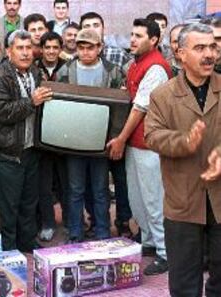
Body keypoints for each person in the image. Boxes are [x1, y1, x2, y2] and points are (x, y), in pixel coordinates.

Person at [145, 23, 221, 297]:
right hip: (182, 200)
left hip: (220, 198)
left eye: (213, 46)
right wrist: (185, 142)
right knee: (185, 283)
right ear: (180, 54)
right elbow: (152, 136)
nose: (210, 54)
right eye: (200, 48)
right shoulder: (163, 95)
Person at [107, 18, 172, 275]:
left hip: (150, 143)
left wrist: (120, 139)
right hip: (137, 142)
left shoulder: (156, 67)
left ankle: (165, 252)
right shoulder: (137, 63)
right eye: (131, 34)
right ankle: (148, 241)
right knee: (138, 198)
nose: (132, 39)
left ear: (154, 40)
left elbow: (140, 107)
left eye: (139, 35)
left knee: (154, 200)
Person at [0, 29, 52, 252]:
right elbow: (1, 111)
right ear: (8, 51)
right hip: (7, 152)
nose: (25, 53)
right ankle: (8, 248)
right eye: (20, 48)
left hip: (31, 149)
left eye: (28, 48)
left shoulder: (34, 71)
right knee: (8, 206)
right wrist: (31, 102)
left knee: (28, 203)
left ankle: (27, 243)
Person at [56, 29, 123, 243]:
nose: (85, 52)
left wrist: (113, 137)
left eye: (90, 47)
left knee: (100, 189)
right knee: (75, 189)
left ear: (100, 48)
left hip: (101, 141)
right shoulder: (65, 70)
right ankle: (76, 233)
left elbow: (119, 108)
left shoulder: (112, 71)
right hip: (74, 140)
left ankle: (103, 231)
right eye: (81, 47)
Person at [79, 11, 133, 238]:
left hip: (111, 136)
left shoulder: (116, 65)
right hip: (84, 138)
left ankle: (120, 222)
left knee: (116, 184)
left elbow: (123, 101)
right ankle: (93, 221)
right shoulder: (70, 68)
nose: (86, 50)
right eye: (87, 25)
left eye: (95, 25)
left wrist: (118, 135)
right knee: (87, 186)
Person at [35, 31, 67, 241]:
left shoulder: (68, 68)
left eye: (56, 47)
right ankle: (47, 222)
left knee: (67, 182)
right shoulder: (33, 68)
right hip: (42, 135)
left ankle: (72, 222)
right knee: (43, 184)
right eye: (48, 47)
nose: (52, 51)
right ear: (42, 49)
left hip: (65, 133)